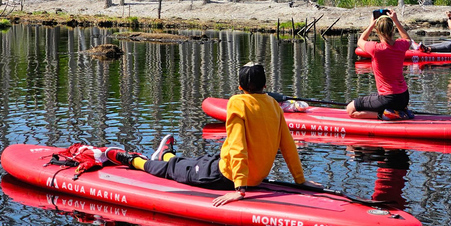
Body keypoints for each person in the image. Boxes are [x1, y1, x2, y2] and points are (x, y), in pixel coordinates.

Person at [105, 62, 320, 206]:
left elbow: (237, 145)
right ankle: (165, 153)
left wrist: (240, 189)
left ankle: (134, 160)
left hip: (227, 176)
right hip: (244, 171)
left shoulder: (238, 103)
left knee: (174, 170)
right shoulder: (274, 105)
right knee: (195, 161)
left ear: (240, 87)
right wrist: (300, 181)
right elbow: (288, 145)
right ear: (265, 85)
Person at [347, 10, 412, 119]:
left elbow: (360, 41)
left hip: (388, 99)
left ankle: (385, 115)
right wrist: (396, 20)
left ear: (377, 30)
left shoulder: (375, 49)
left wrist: (371, 25)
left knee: (350, 110)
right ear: (393, 29)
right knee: (373, 96)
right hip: (404, 97)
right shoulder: (401, 45)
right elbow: (407, 39)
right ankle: (399, 110)